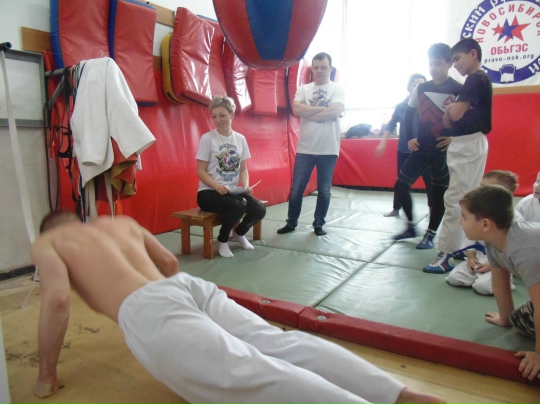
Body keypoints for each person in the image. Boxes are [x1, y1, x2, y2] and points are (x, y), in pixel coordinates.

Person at [31, 211, 447, 404]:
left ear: (51, 229)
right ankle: (399, 395)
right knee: (277, 343)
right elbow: (170, 264)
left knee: (250, 372)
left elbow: (58, 300)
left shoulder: (48, 242)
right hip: (185, 287)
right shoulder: (119, 222)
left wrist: (47, 374)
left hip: (148, 309)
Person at [458, 185, 540, 381]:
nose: (460, 222)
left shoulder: (524, 250)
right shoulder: (494, 240)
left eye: (464, 217)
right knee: (519, 321)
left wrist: (538, 354)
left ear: (485, 224)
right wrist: (505, 318)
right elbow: (500, 284)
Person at [424, 38, 492, 274]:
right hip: (467, 143)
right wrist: (452, 112)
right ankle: (464, 245)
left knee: (455, 199)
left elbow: (453, 115)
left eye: (457, 59)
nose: (455, 65)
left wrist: (453, 110)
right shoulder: (475, 80)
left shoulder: (475, 78)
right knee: (467, 198)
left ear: (472, 54)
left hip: (468, 144)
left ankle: (446, 253)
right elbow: (449, 118)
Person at [392, 44, 462, 251]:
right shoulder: (421, 88)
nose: (433, 69)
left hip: (442, 151)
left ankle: (430, 234)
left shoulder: (458, 89)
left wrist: (454, 139)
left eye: (438, 64)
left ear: (449, 64)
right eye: (431, 64)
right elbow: (409, 113)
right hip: (422, 148)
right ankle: (411, 226)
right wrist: (410, 138)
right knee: (400, 185)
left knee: (438, 195)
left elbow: (467, 120)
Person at [277, 52, 345, 236]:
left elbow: (335, 112)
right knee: (297, 188)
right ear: (312, 69)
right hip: (305, 148)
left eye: (323, 67)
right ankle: (291, 222)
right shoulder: (304, 89)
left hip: (329, 148)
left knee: (324, 190)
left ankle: (318, 224)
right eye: (316, 68)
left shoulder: (337, 89)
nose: (319, 71)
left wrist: (309, 111)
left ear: (330, 69)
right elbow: (297, 109)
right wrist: (324, 109)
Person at [196, 96, 266, 258]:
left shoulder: (240, 139)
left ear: (232, 115)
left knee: (259, 208)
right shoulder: (207, 138)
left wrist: (246, 186)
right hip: (208, 193)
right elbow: (200, 171)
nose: (217, 120)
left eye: (222, 115)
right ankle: (222, 240)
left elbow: (243, 169)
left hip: (231, 192)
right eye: (214, 116)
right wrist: (217, 186)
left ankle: (239, 233)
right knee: (238, 204)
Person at [446, 170, 519, 295]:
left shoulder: (514, 219)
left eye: (485, 188)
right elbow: (470, 238)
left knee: (482, 287)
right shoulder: (477, 212)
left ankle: (507, 281)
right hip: (479, 257)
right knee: (455, 278)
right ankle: (477, 275)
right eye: (480, 187)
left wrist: (491, 266)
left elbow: (513, 252)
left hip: (501, 263)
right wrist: (471, 258)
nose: (479, 191)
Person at [376, 73, 433, 218]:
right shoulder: (401, 106)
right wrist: (382, 142)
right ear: (409, 87)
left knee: (430, 181)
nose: (418, 88)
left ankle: (432, 209)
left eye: (421, 85)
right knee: (401, 181)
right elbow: (391, 125)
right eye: (415, 85)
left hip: (425, 150)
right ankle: (396, 208)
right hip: (404, 150)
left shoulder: (429, 105)